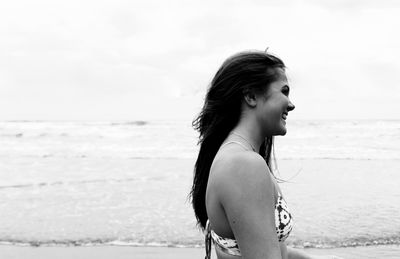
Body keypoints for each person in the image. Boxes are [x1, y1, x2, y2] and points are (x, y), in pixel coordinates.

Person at [190, 50, 343, 259]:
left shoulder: (234, 156)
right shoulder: (243, 165)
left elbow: (268, 249)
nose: (291, 104)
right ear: (251, 96)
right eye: (284, 91)